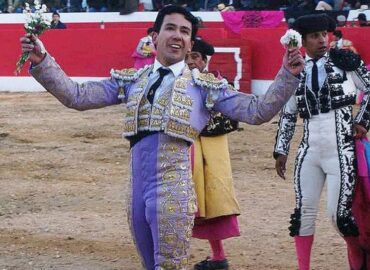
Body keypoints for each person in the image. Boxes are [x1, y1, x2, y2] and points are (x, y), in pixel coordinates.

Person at [20, 5, 304, 269]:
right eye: (171, 28)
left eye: (185, 31)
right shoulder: (132, 80)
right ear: (155, 37)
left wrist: (287, 76)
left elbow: (257, 111)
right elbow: (76, 96)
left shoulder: (204, 86)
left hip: (173, 192)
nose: (177, 35)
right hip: (136, 194)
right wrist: (43, 61)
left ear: (191, 43)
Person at [273, 13, 370, 270]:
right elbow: (289, 111)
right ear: (303, 40)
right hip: (309, 151)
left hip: (342, 150)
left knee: (339, 217)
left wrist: (362, 121)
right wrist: (281, 149)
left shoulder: (345, 61)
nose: (322, 40)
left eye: (324, 35)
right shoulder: (295, 69)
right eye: (315, 36)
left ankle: (358, 259)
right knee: (303, 213)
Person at [186, 38, 239, 270]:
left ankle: (218, 256)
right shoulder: (180, 83)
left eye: (195, 57)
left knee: (211, 202)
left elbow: (232, 119)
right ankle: (217, 257)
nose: (190, 62)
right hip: (188, 148)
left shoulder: (220, 84)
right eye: (188, 57)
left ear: (205, 60)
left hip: (211, 150)